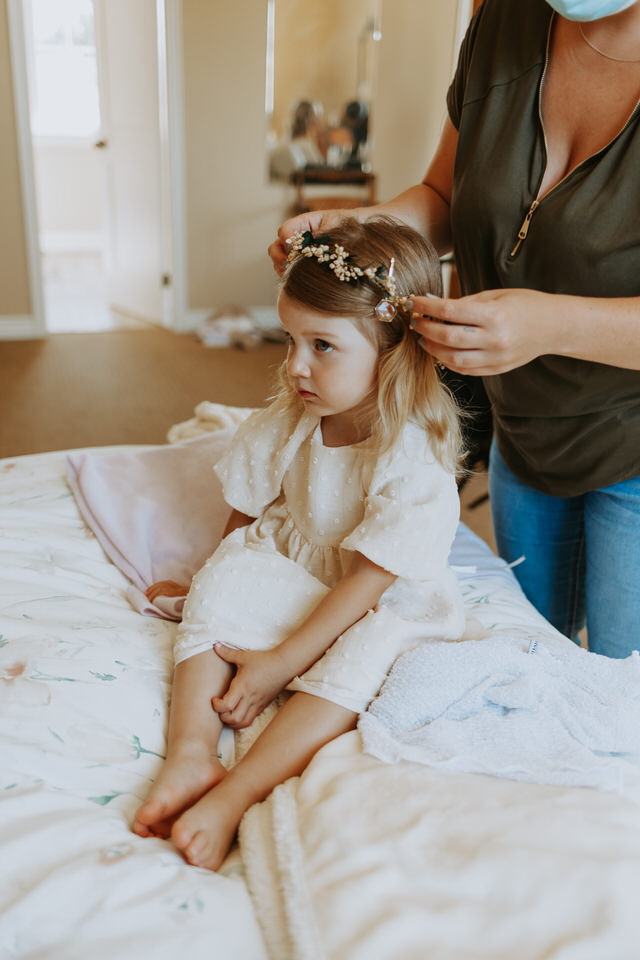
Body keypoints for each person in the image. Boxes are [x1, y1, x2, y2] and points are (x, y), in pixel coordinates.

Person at [268, 0, 640, 659]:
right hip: (525, 426)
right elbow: (446, 196)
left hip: (631, 440)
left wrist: (550, 324)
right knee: (525, 652)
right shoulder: (506, 20)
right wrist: (362, 231)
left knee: (619, 691)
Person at [132, 217, 466, 870]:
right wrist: (208, 582)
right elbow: (246, 515)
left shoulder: (410, 459)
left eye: (322, 346)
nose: (295, 367)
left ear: (393, 351)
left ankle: (235, 795)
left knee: (366, 655)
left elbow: (366, 585)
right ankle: (191, 753)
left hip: (371, 596)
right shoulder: (293, 416)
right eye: (290, 340)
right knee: (231, 572)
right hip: (306, 568)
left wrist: (282, 663)